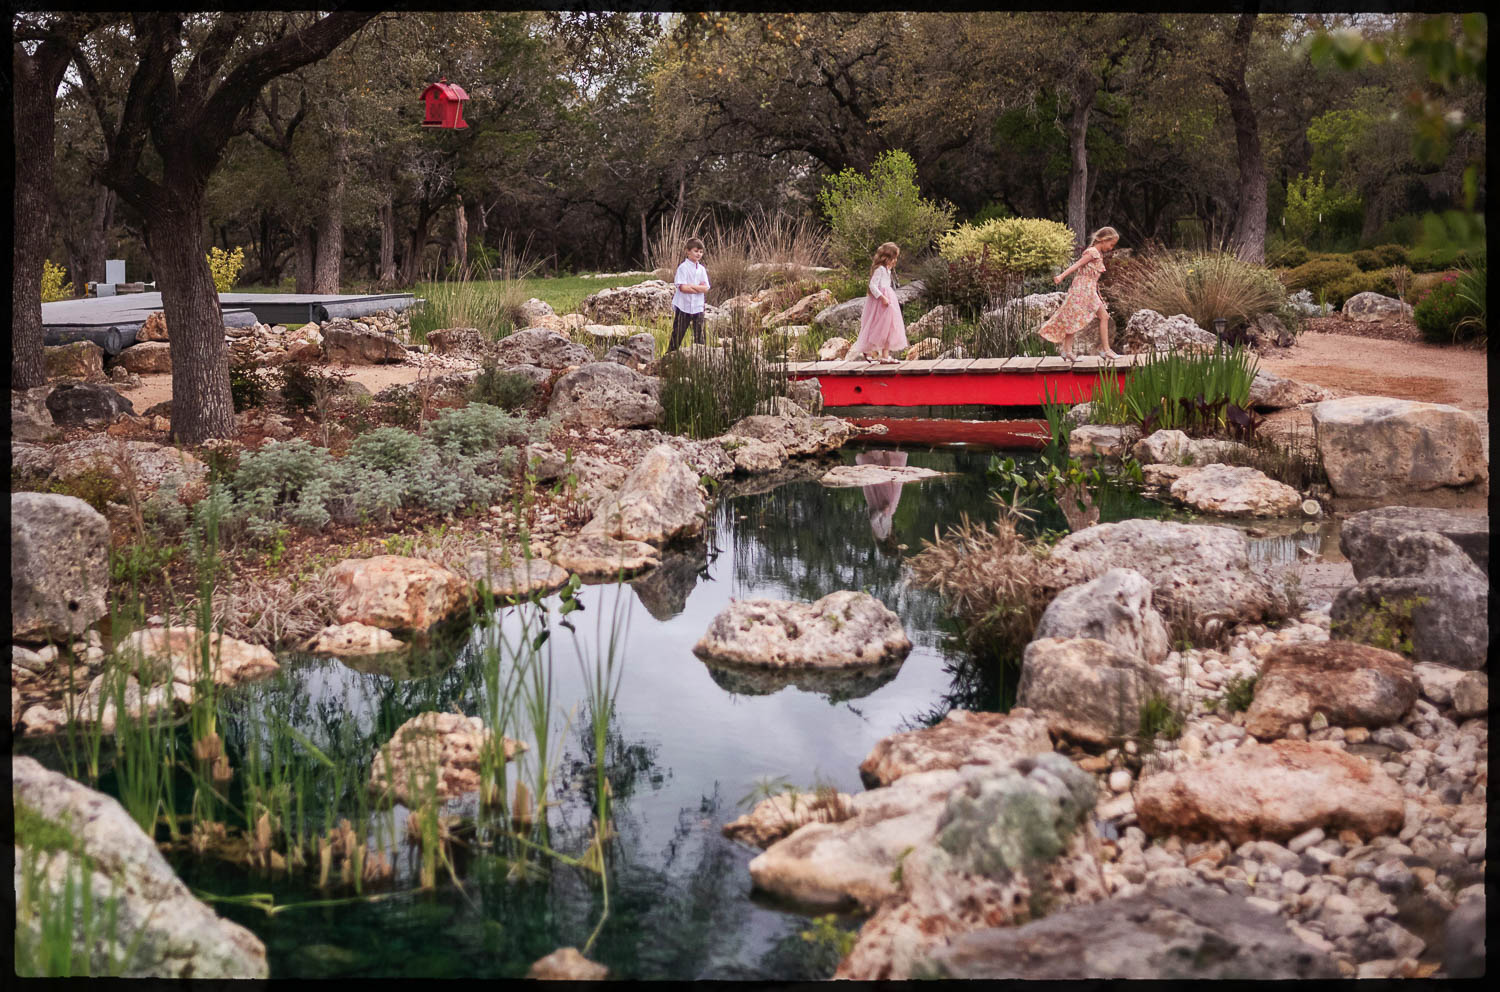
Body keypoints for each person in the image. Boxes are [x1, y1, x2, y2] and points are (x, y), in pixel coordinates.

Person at [1037, 226, 1123, 361]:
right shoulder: (1093, 252)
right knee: (1095, 317)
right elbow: (1076, 265)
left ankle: (1068, 351)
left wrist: (1097, 293)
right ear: (1104, 240)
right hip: (1082, 289)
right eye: (1111, 244)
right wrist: (1061, 276)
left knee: (1077, 317)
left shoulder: (1098, 254)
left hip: (1088, 289)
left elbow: (1092, 279)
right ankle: (1105, 350)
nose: (1111, 248)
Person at [851, 241, 908, 365]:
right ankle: (870, 350)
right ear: (886, 258)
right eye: (893, 258)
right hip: (881, 303)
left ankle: (885, 355)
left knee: (889, 328)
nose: (895, 261)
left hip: (889, 302)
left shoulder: (887, 270)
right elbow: (872, 285)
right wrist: (882, 297)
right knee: (879, 327)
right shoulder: (880, 269)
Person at [667, 237, 710, 351]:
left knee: (700, 337)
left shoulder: (701, 269)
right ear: (688, 251)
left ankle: (700, 359)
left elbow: (706, 288)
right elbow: (683, 287)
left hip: (698, 306)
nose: (698, 254)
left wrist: (692, 286)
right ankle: (668, 357)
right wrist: (698, 288)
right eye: (696, 251)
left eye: (701, 252)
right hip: (683, 306)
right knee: (677, 335)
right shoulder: (683, 268)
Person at [857, 449, 908, 541]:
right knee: (888, 474)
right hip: (888, 500)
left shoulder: (881, 535)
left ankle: (878, 452)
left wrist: (882, 510)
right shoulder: (885, 534)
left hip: (881, 500)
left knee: (882, 475)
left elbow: (873, 519)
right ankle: (884, 452)